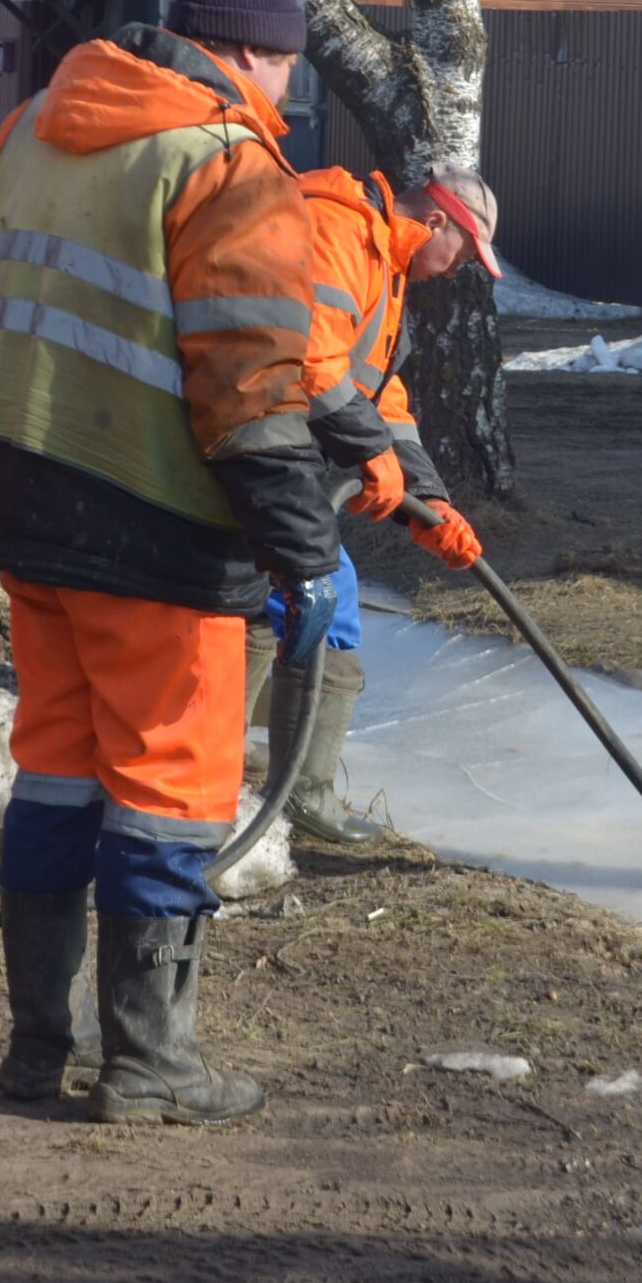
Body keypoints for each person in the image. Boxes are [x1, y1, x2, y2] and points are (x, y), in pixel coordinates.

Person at [0, 0, 340, 1128]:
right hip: (155, 523)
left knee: (59, 774)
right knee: (171, 788)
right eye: (282, 66)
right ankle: (153, 1066)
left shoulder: (29, 126)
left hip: (23, 496)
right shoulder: (228, 162)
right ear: (247, 53)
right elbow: (249, 385)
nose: (284, 92)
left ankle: (34, 1052)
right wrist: (304, 552)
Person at [244, 163, 500, 843]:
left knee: (320, 613)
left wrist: (430, 501)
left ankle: (289, 790)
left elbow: (381, 396)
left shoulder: (382, 264)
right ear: (438, 220)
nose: (457, 271)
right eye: (465, 253)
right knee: (278, 611)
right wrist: (369, 454)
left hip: (285, 456)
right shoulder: (339, 228)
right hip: (255, 449)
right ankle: (256, 793)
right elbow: (310, 357)